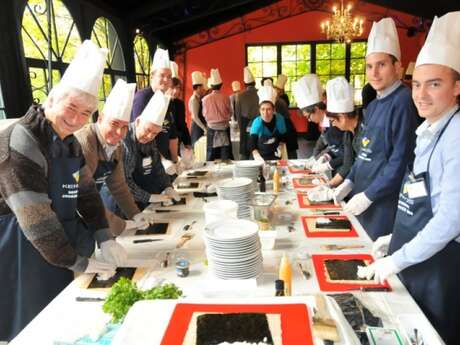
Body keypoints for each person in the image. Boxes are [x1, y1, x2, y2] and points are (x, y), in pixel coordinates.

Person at [0, 40, 126, 341]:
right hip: (20, 240)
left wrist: (104, 236)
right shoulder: (21, 142)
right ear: (52, 98)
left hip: (55, 240)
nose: (77, 118)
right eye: (72, 107)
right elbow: (37, 223)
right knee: (33, 325)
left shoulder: (69, 141)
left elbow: (86, 193)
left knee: (63, 313)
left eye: (86, 113)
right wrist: (82, 263)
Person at [358, 12, 460, 344]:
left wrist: (398, 258)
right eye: (418, 84)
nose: (421, 95)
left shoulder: (457, 134)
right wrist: (396, 236)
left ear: (457, 87)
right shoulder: (430, 127)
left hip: (440, 266)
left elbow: (449, 220)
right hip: (417, 254)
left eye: (435, 84)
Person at [333, 18, 418, 240]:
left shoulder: (403, 101)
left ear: (397, 67)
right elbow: (363, 152)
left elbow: (400, 161)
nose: (374, 73)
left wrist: (369, 195)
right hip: (363, 192)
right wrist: (349, 181)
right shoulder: (373, 105)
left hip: (383, 200)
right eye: (369, 66)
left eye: (382, 64)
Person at [75, 79, 151, 236]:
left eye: (124, 127)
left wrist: (135, 214)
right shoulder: (85, 142)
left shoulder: (116, 147)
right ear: (100, 118)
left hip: (89, 207)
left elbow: (118, 186)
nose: (119, 133)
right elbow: (81, 196)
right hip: (71, 209)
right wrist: (120, 225)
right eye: (114, 124)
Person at [120, 90, 180, 211]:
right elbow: (124, 181)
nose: (150, 136)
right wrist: (150, 197)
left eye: (155, 133)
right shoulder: (124, 140)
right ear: (137, 122)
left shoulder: (150, 139)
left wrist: (167, 186)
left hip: (141, 191)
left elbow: (157, 166)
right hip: (121, 200)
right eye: (147, 130)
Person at [131, 48, 179, 174]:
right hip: (148, 162)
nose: (166, 80)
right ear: (152, 76)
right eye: (162, 75)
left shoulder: (166, 98)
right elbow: (139, 135)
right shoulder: (142, 97)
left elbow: (172, 132)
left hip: (164, 160)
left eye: (169, 77)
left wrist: (175, 160)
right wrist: (162, 161)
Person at [292, 74, 344, 170]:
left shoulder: (334, 121)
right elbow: (322, 139)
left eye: (308, 116)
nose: (309, 120)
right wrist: (315, 156)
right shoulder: (324, 119)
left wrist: (322, 158)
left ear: (316, 109)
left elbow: (336, 148)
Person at [322, 77, 363, 188]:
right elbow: (347, 164)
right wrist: (329, 185)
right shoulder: (347, 133)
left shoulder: (366, 127)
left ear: (342, 116)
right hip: (356, 178)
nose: (333, 125)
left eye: (333, 121)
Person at [202, 68, 233, 161]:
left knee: (210, 152)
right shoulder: (226, 97)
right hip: (224, 127)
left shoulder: (205, 99)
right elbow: (230, 112)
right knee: (226, 152)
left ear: (211, 85)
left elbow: (204, 114)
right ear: (221, 85)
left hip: (211, 127)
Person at [249, 85, 287, 161]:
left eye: (268, 109)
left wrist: (281, 149)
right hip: (259, 155)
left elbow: (283, 138)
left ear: (274, 110)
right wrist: (257, 156)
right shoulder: (257, 122)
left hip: (275, 155)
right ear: (259, 110)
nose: (265, 113)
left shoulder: (279, 119)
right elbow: (252, 144)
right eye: (262, 109)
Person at [234, 67, 259, 160]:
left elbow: (238, 114)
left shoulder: (239, 96)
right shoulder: (260, 93)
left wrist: (241, 128)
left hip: (245, 123)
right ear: (255, 83)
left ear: (244, 84)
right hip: (259, 122)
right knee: (258, 148)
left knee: (244, 152)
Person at [273, 75, 298, 159]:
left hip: (286, 125)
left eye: (278, 90)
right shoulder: (279, 99)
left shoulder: (280, 101)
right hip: (285, 124)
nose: (277, 92)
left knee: (289, 149)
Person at [168, 77, 192, 155]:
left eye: (178, 88)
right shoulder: (162, 103)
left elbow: (183, 124)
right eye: (172, 88)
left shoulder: (180, 104)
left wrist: (187, 143)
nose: (175, 91)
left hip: (178, 141)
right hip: (165, 142)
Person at [189, 71, 207, 148]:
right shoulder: (194, 99)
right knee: (197, 148)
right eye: (202, 87)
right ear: (198, 87)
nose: (203, 89)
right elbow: (195, 117)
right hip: (197, 127)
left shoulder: (199, 98)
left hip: (200, 126)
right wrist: (204, 128)